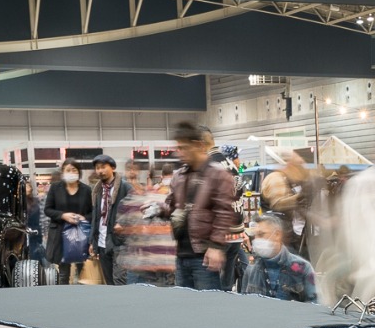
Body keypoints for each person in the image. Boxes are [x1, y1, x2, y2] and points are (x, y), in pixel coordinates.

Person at [166, 121, 240, 291]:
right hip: (182, 254)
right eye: (178, 148)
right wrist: (159, 209)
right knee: (184, 304)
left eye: (184, 148)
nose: (179, 153)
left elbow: (224, 213)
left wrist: (216, 246)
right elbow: (172, 206)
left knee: (208, 305)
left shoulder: (218, 175)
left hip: (204, 257)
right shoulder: (180, 176)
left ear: (199, 146)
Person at [114, 171, 176, 286]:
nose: (133, 182)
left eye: (134, 178)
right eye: (130, 179)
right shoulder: (129, 201)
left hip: (158, 265)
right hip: (139, 264)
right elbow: (119, 228)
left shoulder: (163, 199)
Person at [239, 213, 317, 302]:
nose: (256, 239)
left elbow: (314, 304)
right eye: (254, 236)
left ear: (277, 234)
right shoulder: (251, 269)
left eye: (261, 234)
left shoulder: (303, 268)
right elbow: (244, 304)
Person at [44, 159, 92, 284]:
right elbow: (48, 210)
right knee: (63, 272)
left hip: (81, 234)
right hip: (60, 234)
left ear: (79, 172)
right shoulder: (55, 188)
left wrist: (84, 218)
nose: (71, 173)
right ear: (63, 172)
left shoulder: (87, 190)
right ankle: (63, 294)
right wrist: (63, 215)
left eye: (74, 170)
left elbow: (93, 212)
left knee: (82, 271)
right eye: (68, 170)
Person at [87, 154, 129, 285]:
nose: (100, 171)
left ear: (113, 167)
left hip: (119, 241)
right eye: (97, 168)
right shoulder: (97, 190)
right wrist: (92, 242)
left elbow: (136, 208)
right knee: (109, 282)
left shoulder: (124, 187)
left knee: (119, 280)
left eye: (103, 167)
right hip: (102, 242)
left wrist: (123, 223)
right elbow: (96, 217)